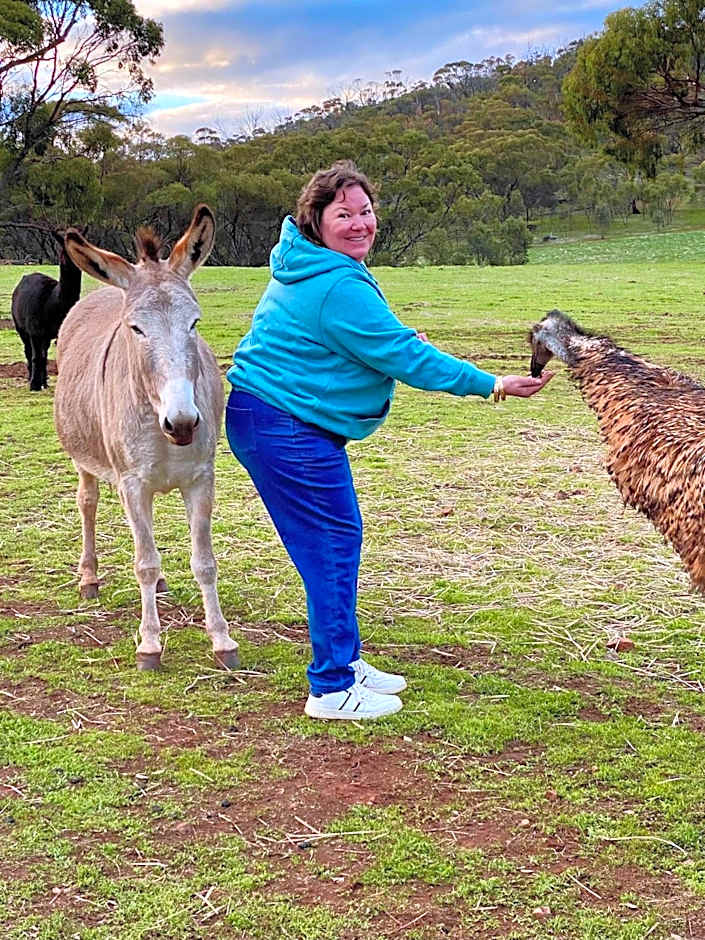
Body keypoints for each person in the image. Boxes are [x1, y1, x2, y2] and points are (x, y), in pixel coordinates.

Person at [225, 160, 553, 721]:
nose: (359, 223)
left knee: (335, 542)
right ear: (317, 221)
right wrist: (492, 383)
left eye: (366, 210)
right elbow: (403, 357)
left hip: (274, 419)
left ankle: (345, 662)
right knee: (331, 545)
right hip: (285, 426)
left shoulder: (312, 268)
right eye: (343, 214)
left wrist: (397, 346)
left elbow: (363, 346)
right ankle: (330, 687)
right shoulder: (333, 282)